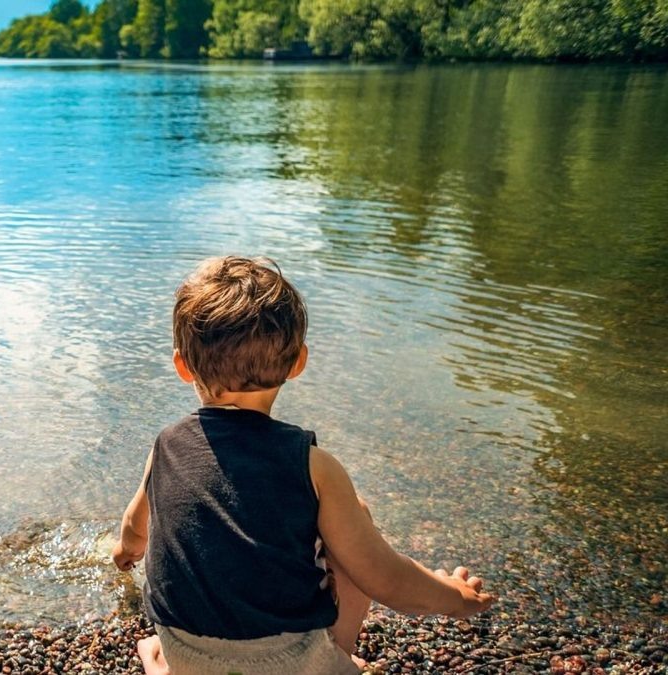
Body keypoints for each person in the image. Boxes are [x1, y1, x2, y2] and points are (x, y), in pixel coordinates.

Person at [111, 256, 495, 674]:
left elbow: (135, 530)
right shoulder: (315, 467)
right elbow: (385, 578)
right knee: (355, 519)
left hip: (188, 653)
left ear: (182, 366)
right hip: (289, 664)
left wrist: (123, 555)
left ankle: (163, 660)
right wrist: (456, 597)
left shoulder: (165, 447)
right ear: (299, 362)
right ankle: (337, 658)